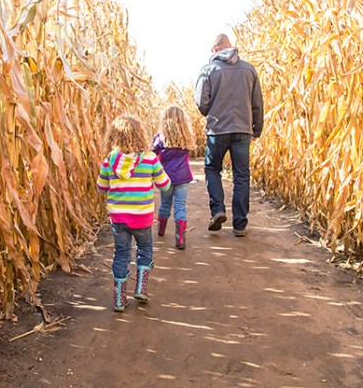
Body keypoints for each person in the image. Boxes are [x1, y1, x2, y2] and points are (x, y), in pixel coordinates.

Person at [97, 115, 171, 312]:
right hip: (142, 217)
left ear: (114, 137)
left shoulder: (109, 161)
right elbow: (165, 185)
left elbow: (101, 187)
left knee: (121, 253)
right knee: (144, 249)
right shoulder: (150, 159)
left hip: (118, 218)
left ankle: (119, 300)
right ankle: (141, 288)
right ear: (140, 135)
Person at [194, 33, 264, 237]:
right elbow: (257, 102)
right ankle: (240, 225)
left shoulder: (208, 70)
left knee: (212, 168)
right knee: (241, 175)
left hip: (217, 129)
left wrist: (211, 111)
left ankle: (218, 210)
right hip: (242, 130)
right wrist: (256, 128)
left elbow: (201, 102)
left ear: (215, 50)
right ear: (230, 46)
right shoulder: (249, 69)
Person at [151, 106, 196, 249]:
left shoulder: (160, 138)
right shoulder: (186, 137)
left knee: (165, 204)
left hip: (166, 178)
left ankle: (161, 230)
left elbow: (152, 153)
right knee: (180, 206)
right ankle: (180, 239)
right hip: (183, 178)